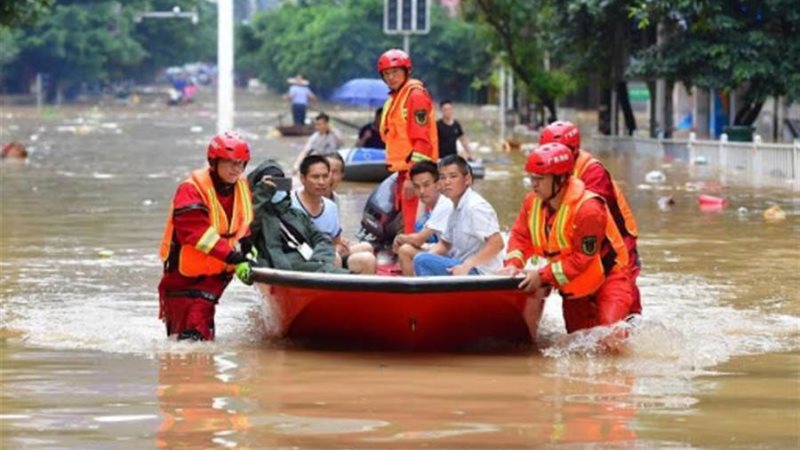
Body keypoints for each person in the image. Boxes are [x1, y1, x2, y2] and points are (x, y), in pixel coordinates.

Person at [501, 143, 634, 334]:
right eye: (532, 178)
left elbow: (583, 258)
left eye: (540, 179)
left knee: (611, 336)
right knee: (578, 343)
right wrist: (512, 265)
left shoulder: (588, 209)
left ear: (561, 178)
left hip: (610, 278)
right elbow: (521, 237)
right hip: (575, 287)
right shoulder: (531, 202)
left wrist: (542, 276)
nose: (533, 184)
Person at [157, 132, 256, 341]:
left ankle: (198, 356)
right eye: (230, 163)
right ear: (214, 162)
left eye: (241, 164)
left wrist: (248, 246)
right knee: (182, 333)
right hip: (185, 272)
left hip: (218, 271)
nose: (236, 169)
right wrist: (234, 257)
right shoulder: (191, 189)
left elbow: (243, 220)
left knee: (199, 323)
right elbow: (196, 232)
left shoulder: (242, 186)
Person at [538, 121, 642, 315]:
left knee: (624, 285)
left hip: (617, 237)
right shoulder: (544, 182)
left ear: (574, 151)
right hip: (582, 243)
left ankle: (631, 319)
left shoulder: (592, 172)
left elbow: (592, 215)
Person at [377, 49, 439, 234]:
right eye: (386, 74)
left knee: (415, 226)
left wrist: (413, 178)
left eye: (395, 72)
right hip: (404, 172)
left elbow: (422, 141)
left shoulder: (415, 96)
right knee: (408, 224)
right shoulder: (396, 97)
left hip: (416, 173)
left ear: (406, 71)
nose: (391, 77)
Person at [247, 160, 348, 274]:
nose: (274, 187)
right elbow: (247, 230)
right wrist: (262, 192)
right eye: (270, 183)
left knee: (345, 273)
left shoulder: (296, 214)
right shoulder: (254, 218)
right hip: (281, 269)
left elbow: (321, 239)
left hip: (310, 264)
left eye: (279, 182)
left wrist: (319, 259)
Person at [413, 155, 503, 276]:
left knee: (422, 260)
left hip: (480, 272)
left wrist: (466, 266)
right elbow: (445, 244)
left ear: (467, 180)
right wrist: (428, 256)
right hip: (460, 264)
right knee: (421, 258)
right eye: (443, 178)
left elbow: (497, 244)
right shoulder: (454, 206)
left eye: (453, 176)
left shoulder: (475, 207)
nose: (447, 182)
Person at [291, 155, 376, 275]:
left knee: (367, 259)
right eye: (315, 177)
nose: (321, 182)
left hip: (328, 253)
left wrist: (340, 246)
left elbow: (336, 242)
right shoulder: (289, 203)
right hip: (301, 257)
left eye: (325, 176)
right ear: (302, 178)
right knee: (333, 257)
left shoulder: (331, 206)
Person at [393, 161, 453, 276]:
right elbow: (419, 230)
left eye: (426, 185)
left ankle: (413, 285)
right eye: (417, 187)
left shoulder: (444, 204)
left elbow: (419, 239)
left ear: (438, 184)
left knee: (405, 250)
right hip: (446, 251)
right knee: (407, 247)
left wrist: (400, 238)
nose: (421, 191)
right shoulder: (432, 204)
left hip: (458, 260)